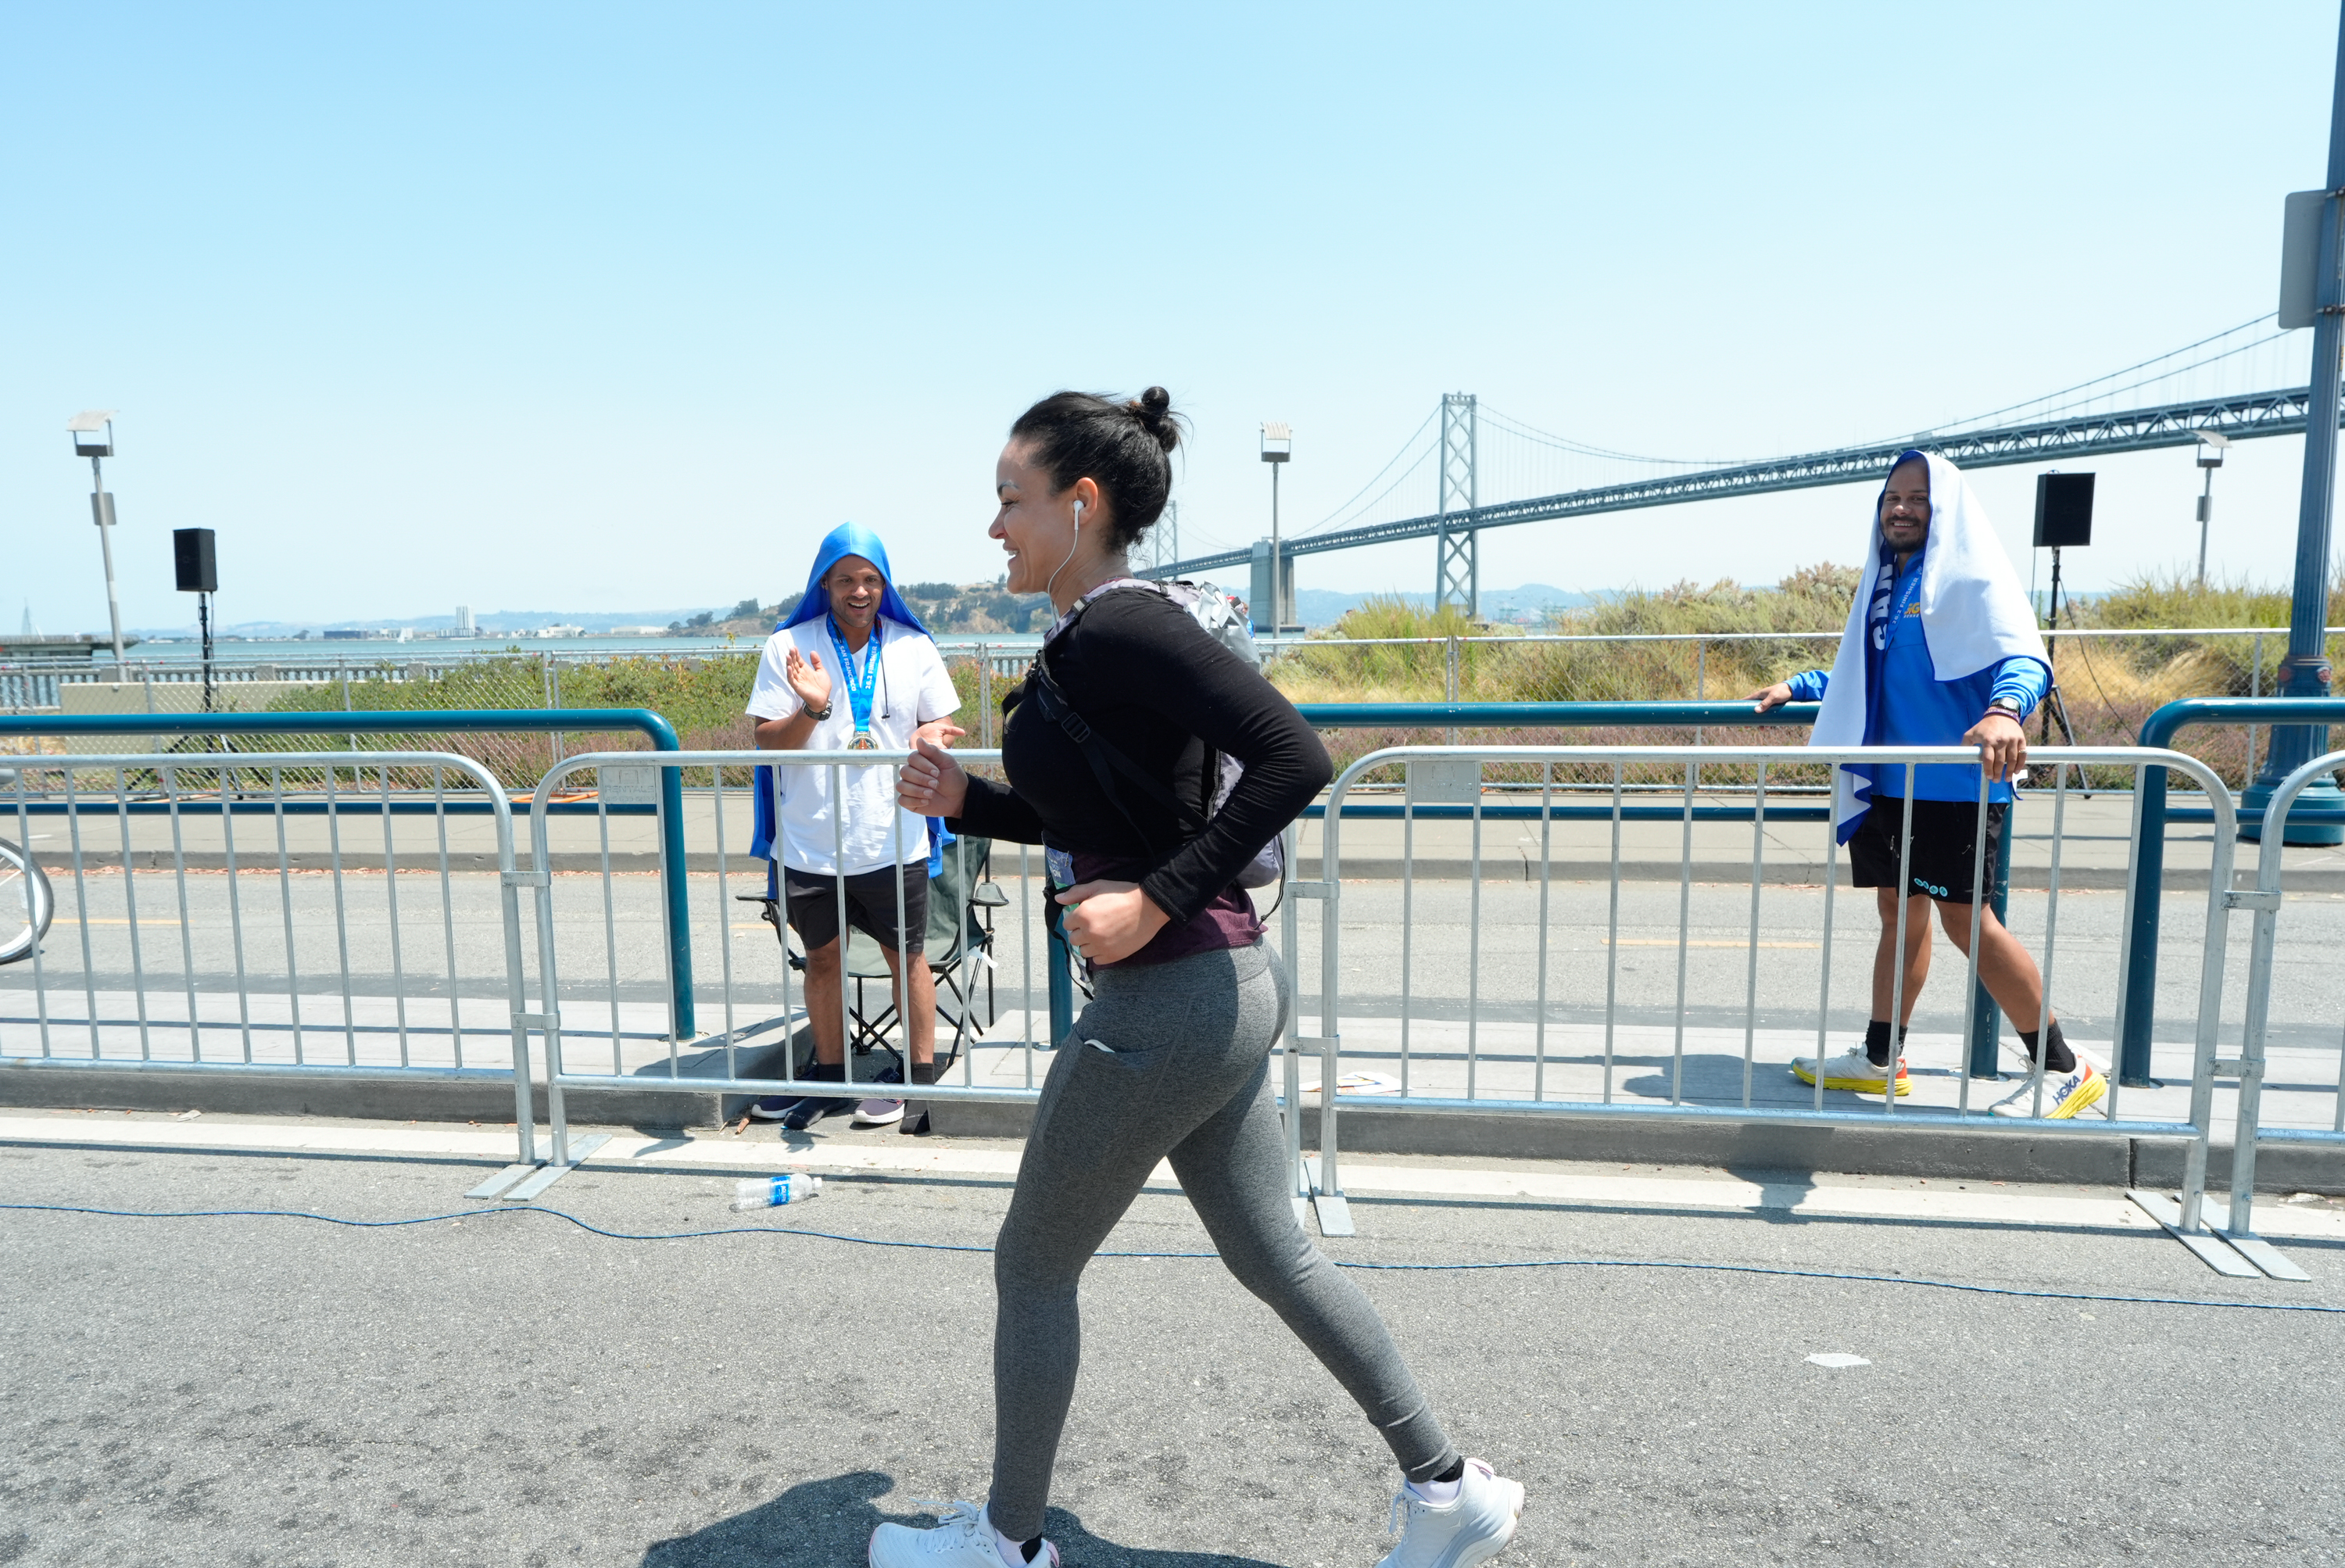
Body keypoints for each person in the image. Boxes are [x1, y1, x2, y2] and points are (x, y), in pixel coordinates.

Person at [878, 388, 1522, 1568]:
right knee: (1276, 1251)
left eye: (1011, 500)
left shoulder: (1125, 626)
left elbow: (1297, 755)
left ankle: (1006, 1544)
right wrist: (975, 803)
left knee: (1032, 1262)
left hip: (1170, 998)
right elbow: (1120, 820)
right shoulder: (1093, 637)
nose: (994, 528)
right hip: (1221, 986)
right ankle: (1448, 1486)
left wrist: (1155, 901)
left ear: (1082, 504)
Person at [1751, 449, 2104, 1119]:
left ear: (1946, 509)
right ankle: (1882, 1059)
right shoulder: (1887, 583)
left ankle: (2066, 1065)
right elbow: (1870, 677)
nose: (1902, 509)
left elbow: (2025, 657)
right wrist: (1800, 686)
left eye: (1918, 498)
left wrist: (2004, 711)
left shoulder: (1971, 579)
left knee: (1968, 924)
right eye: (1892, 498)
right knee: (1898, 914)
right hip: (1891, 780)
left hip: (1956, 786)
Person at [745, 521, 964, 1133]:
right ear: (825, 584)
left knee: (909, 961)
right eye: (845, 579)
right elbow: (766, 744)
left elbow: (940, 725)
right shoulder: (788, 645)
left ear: (885, 585)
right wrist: (813, 708)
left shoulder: (912, 648)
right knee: (821, 961)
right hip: (810, 843)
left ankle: (919, 1082)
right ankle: (830, 1079)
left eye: (870, 579)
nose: (859, 591)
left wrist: (930, 734)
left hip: (892, 840)